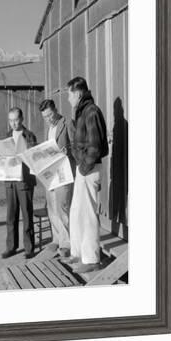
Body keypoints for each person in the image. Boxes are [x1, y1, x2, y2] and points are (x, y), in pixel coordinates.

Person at [64, 77, 109, 274]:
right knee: (76, 212)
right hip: (83, 168)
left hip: (88, 170)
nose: (67, 98)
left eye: (69, 94)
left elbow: (96, 146)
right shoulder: (82, 112)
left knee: (88, 213)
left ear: (78, 93)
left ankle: (91, 258)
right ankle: (77, 252)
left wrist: (83, 167)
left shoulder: (91, 112)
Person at [0, 107, 37, 260]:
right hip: (10, 180)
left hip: (24, 180)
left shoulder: (29, 136)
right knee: (11, 215)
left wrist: (25, 155)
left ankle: (29, 248)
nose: (13, 123)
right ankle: (11, 247)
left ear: (22, 119)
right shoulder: (7, 136)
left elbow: (34, 157)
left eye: (16, 120)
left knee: (27, 214)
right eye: (11, 120)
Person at [39, 99, 75, 258]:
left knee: (62, 207)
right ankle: (57, 239)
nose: (49, 119)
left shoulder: (67, 123)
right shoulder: (48, 128)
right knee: (52, 207)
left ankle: (67, 243)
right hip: (50, 173)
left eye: (50, 115)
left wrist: (69, 150)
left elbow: (77, 144)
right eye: (45, 117)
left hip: (63, 172)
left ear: (56, 109)